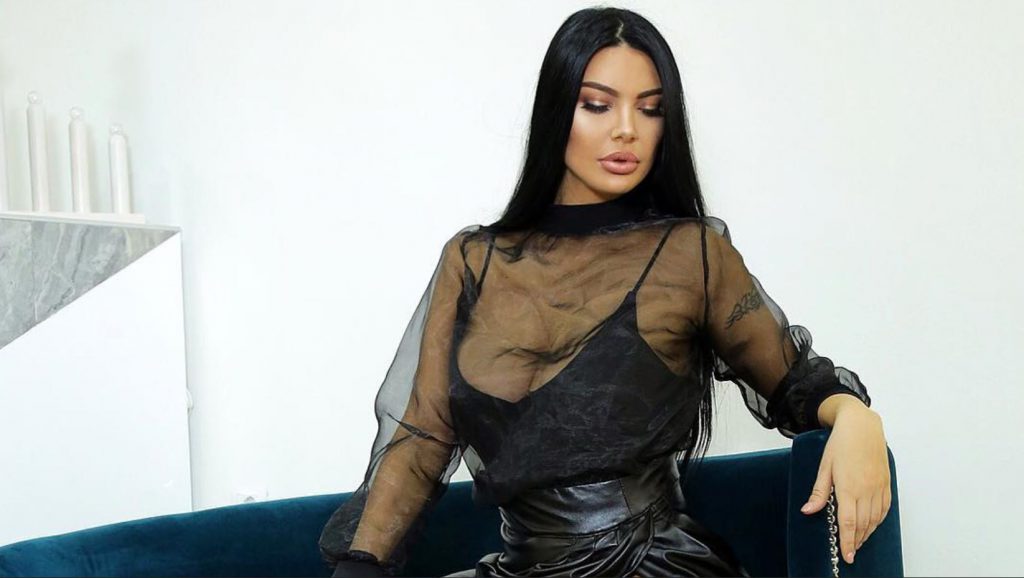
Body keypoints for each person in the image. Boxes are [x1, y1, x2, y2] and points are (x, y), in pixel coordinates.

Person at [318, 6, 889, 577]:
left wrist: (854, 416)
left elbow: (793, 382)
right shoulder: (472, 261)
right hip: (521, 566)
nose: (627, 129)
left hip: (650, 563)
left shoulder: (690, 254)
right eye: (598, 104)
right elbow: (420, 439)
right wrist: (360, 565)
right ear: (556, 111)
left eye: (651, 109)